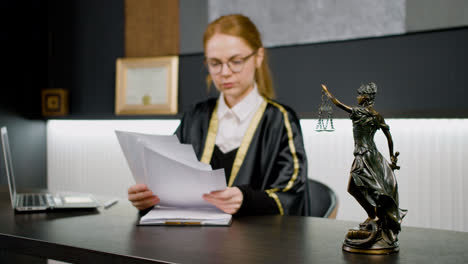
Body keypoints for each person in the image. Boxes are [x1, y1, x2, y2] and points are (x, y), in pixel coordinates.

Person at [128, 14, 310, 216]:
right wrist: (150, 198)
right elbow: (169, 180)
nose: (225, 72)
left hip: (257, 242)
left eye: (236, 61)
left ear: (258, 57)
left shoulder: (280, 120)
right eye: (215, 63)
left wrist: (246, 199)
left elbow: (292, 194)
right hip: (195, 239)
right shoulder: (195, 117)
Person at [322, 83, 406, 248]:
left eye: (359, 94)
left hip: (366, 156)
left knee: (362, 187)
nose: (357, 97)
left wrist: (328, 93)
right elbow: (389, 137)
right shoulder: (375, 115)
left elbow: (338, 104)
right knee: (355, 188)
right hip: (365, 154)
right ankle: (373, 215)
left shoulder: (360, 112)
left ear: (366, 97)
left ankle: (378, 217)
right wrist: (391, 155)